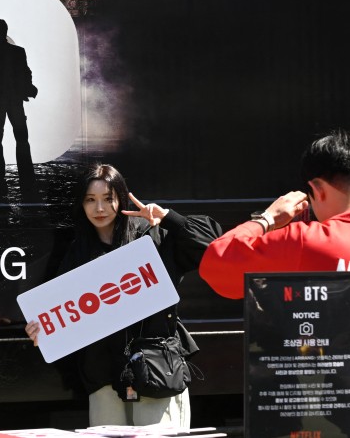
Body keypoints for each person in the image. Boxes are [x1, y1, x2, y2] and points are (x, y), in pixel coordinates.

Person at [199, 130, 350, 438]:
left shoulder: (306, 243)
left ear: (316, 190)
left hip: (324, 426)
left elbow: (216, 266)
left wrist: (268, 219)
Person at [25, 164, 221, 428]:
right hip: (104, 379)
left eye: (108, 199)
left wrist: (168, 217)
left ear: (121, 197)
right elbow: (64, 316)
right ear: (81, 205)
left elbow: (212, 245)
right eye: (90, 200)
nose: (100, 209)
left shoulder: (152, 236)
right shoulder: (76, 254)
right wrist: (44, 333)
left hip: (156, 372)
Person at [0, 18, 37, 196]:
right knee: (22, 139)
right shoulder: (18, 52)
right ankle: (26, 177)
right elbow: (25, 73)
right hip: (15, 101)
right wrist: (28, 89)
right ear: (6, 31)